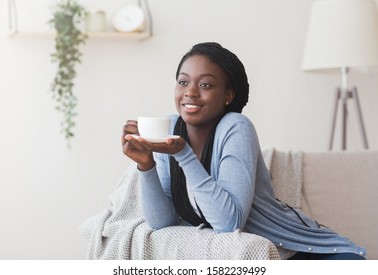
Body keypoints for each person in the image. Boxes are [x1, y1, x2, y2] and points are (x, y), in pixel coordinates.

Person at [121, 42, 366, 260]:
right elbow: (161, 222)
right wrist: (146, 165)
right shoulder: (170, 129)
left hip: (301, 254)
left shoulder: (236, 127)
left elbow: (229, 223)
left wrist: (183, 155)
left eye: (205, 84)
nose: (191, 92)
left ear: (228, 95)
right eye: (183, 82)